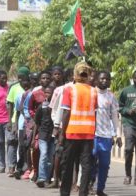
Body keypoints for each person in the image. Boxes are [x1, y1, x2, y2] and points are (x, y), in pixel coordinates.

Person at [59, 61, 98, 196]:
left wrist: (61, 134)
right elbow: (95, 113)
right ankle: (83, 193)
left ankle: (65, 193)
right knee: (86, 166)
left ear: (75, 74)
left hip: (72, 133)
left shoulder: (69, 89)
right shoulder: (94, 91)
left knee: (68, 165)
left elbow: (66, 113)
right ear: (88, 74)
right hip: (88, 133)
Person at [91, 71, 122, 196]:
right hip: (91, 135)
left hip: (106, 136)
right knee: (90, 162)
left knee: (104, 165)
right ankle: (90, 183)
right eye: (102, 79)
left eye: (107, 79)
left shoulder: (111, 96)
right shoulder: (91, 93)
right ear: (97, 79)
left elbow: (115, 117)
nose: (104, 81)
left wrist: (118, 135)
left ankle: (100, 189)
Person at [6, 66, 30, 177]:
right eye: (19, 77)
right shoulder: (14, 87)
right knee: (12, 144)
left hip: (28, 123)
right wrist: (11, 122)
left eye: (22, 77)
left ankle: (22, 168)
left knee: (24, 146)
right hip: (16, 120)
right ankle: (12, 167)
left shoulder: (30, 87)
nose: (20, 79)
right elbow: (10, 105)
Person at [35, 86, 55, 188]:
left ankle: (47, 178)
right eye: (46, 93)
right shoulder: (41, 106)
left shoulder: (56, 106)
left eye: (50, 92)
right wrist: (35, 136)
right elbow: (37, 121)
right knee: (43, 154)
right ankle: (41, 177)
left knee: (50, 158)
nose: (48, 94)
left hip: (53, 135)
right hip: (43, 134)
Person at [0, 70, 9, 173]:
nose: (4, 80)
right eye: (2, 78)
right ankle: (1, 165)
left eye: (6, 78)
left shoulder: (9, 88)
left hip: (8, 120)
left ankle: (11, 166)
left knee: (10, 142)